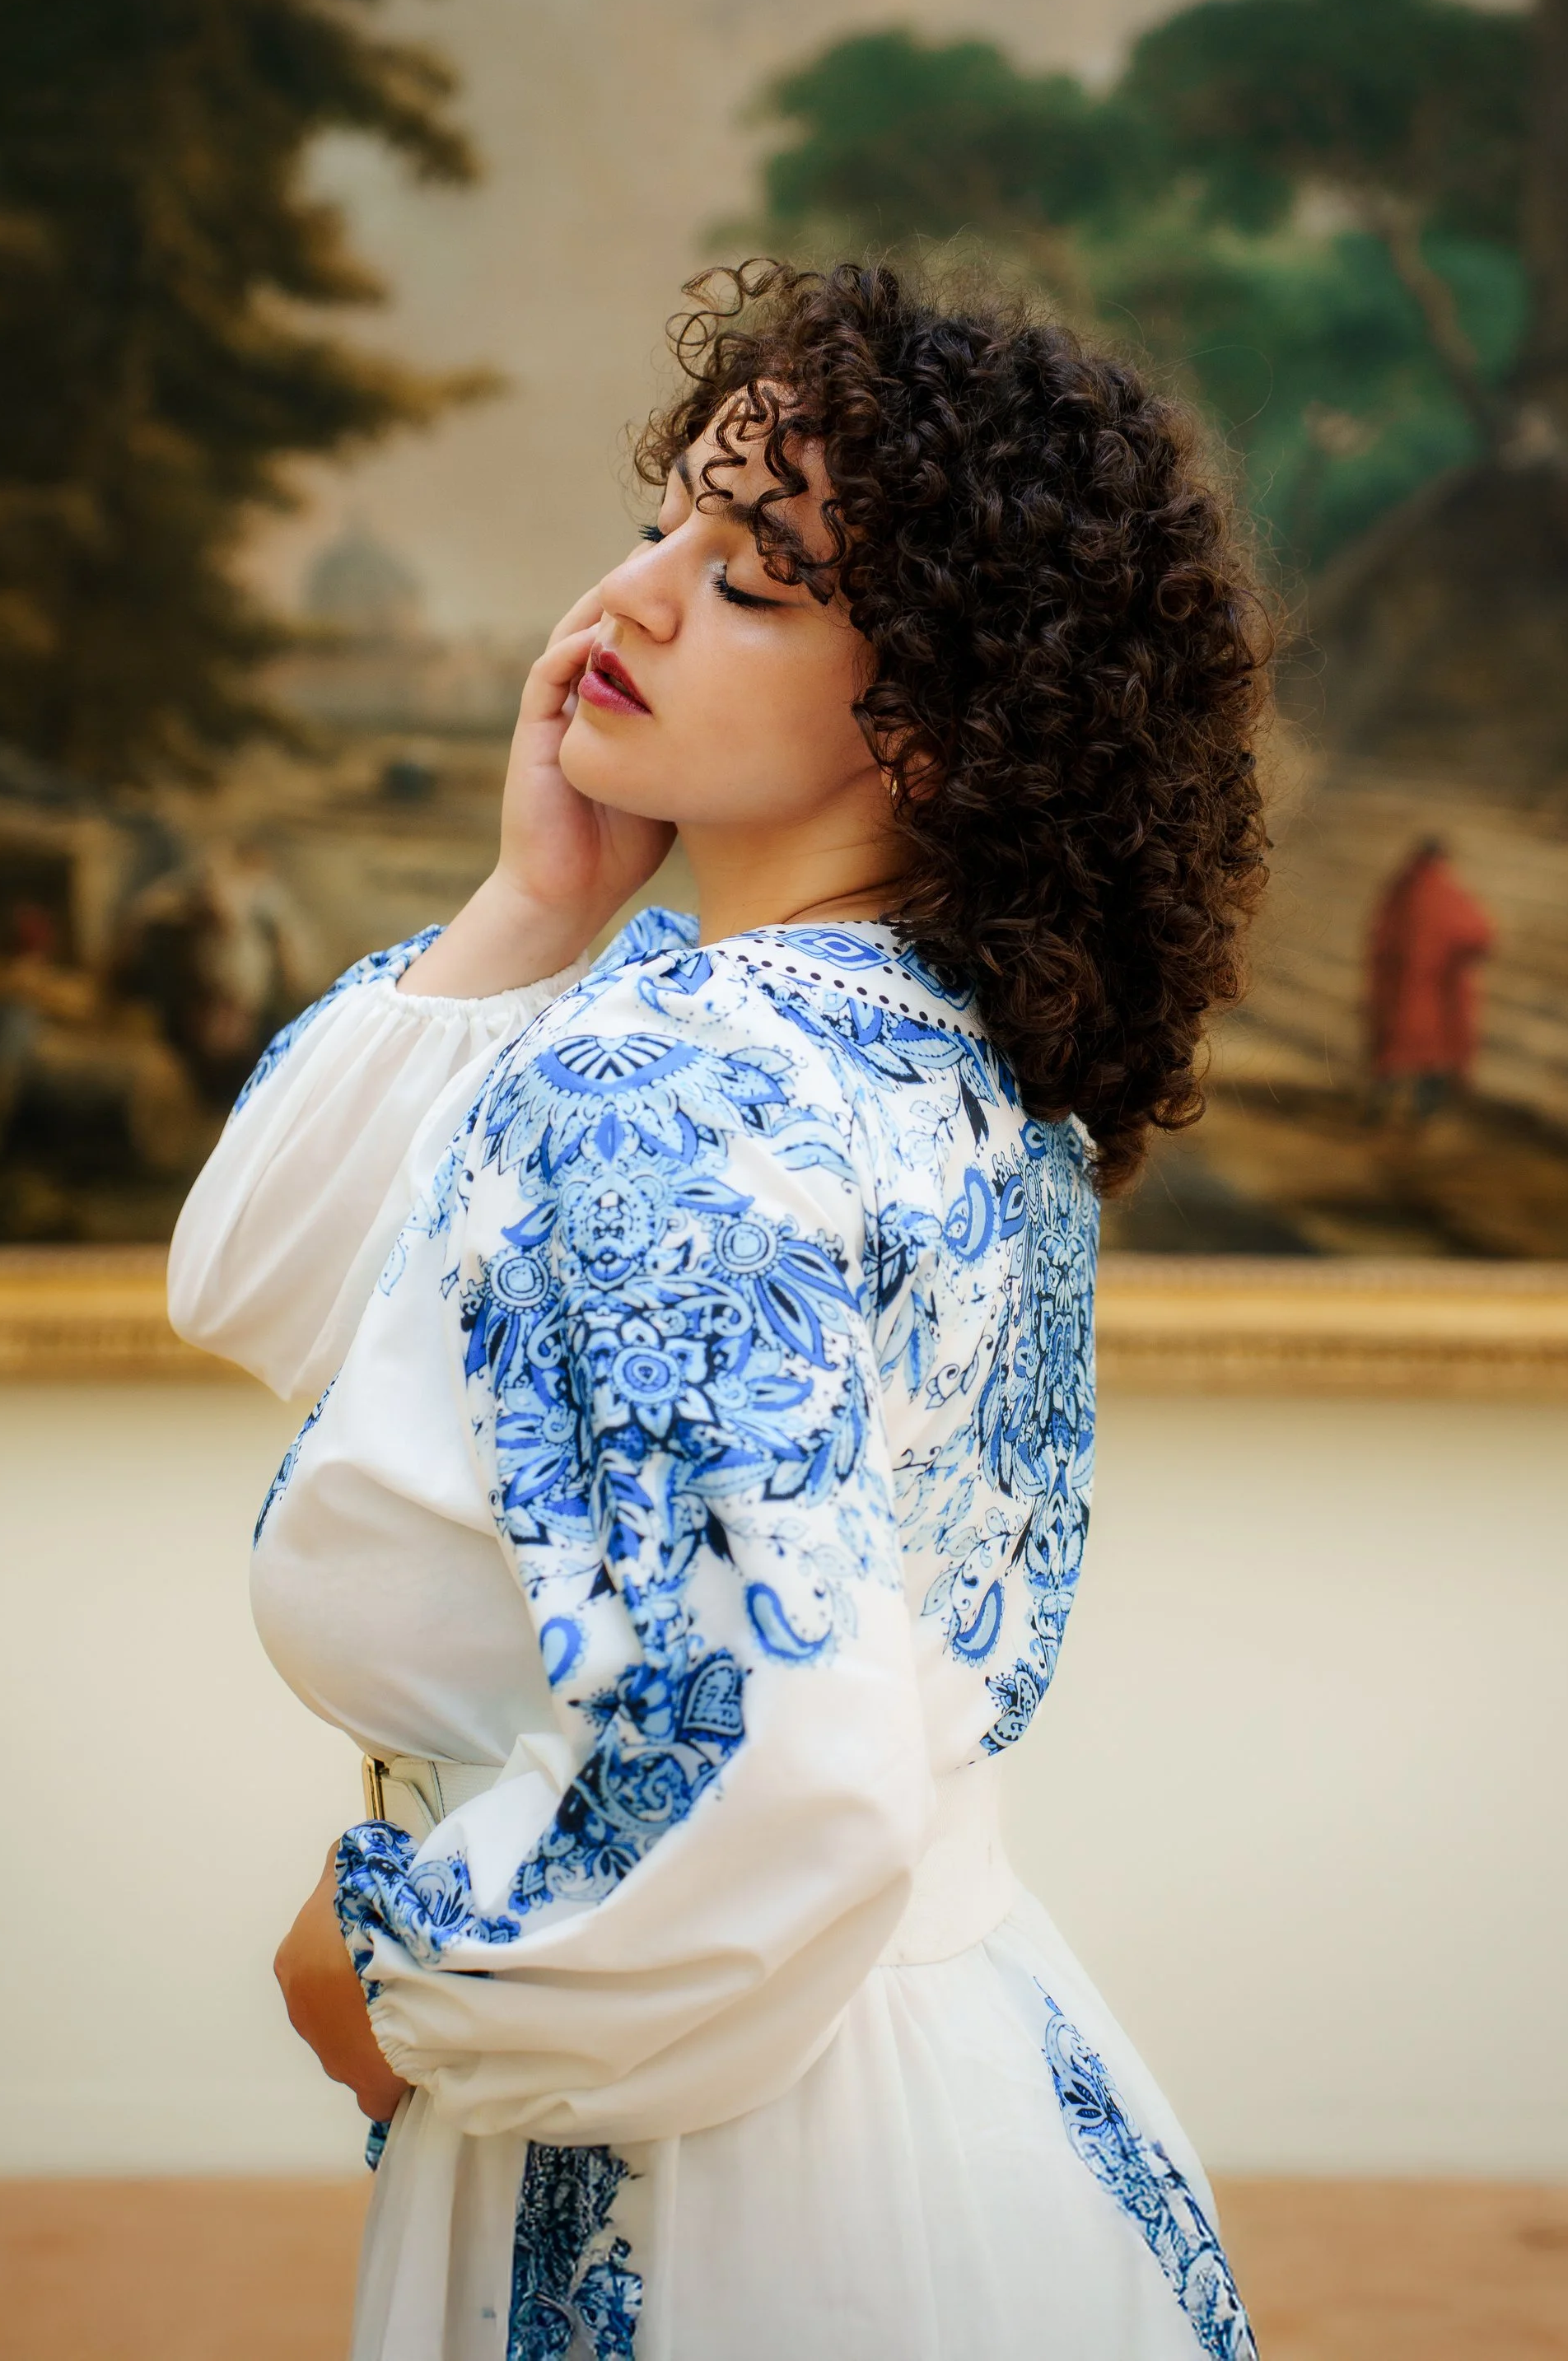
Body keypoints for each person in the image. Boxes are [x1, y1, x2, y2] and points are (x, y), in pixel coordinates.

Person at [169, 260, 1270, 2360]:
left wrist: (394, 1965)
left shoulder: (676, 1086)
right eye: (670, 513)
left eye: (755, 577)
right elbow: (266, 1283)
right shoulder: (928, 1062)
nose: (633, 597)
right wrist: (540, 899)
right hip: (945, 2081)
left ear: (940, 720)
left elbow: (776, 1769)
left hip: (730, 2186)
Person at [1365, 838, 1496, 1124]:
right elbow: (1481, 934)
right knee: (1433, 1059)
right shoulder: (1449, 893)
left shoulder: (1398, 892)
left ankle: (1381, 1114)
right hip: (1437, 1001)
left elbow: (1379, 941)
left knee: (1393, 1055)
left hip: (1399, 997)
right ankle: (1420, 1121)